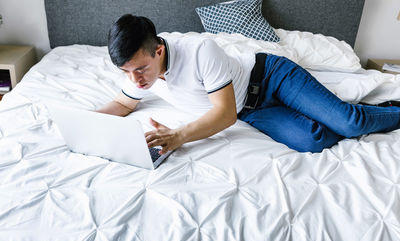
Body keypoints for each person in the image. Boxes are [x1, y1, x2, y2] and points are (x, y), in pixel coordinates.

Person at [97, 14, 400, 154]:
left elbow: (225, 115)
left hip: (271, 77)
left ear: (159, 50)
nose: (135, 80)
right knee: (313, 141)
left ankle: (375, 111)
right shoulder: (140, 69)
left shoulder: (200, 50)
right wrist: (86, 122)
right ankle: (332, 112)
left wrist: (179, 136)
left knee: (349, 122)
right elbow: (124, 103)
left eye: (139, 70)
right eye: (126, 72)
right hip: (250, 109)